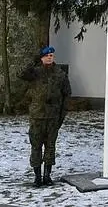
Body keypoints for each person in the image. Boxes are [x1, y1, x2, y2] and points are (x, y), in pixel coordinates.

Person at [19, 46, 72, 187]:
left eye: (51, 55)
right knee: (36, 147)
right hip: (37, 117)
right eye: (47, 55)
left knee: (50, 147)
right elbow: (21, 74)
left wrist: (62, 114)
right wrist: (33, 61)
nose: (50, 57)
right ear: (42, 57)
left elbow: (67, 94)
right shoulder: (35, 73)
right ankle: (37, 176)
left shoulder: (60, 74)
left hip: (53, 117)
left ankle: (47, 175)